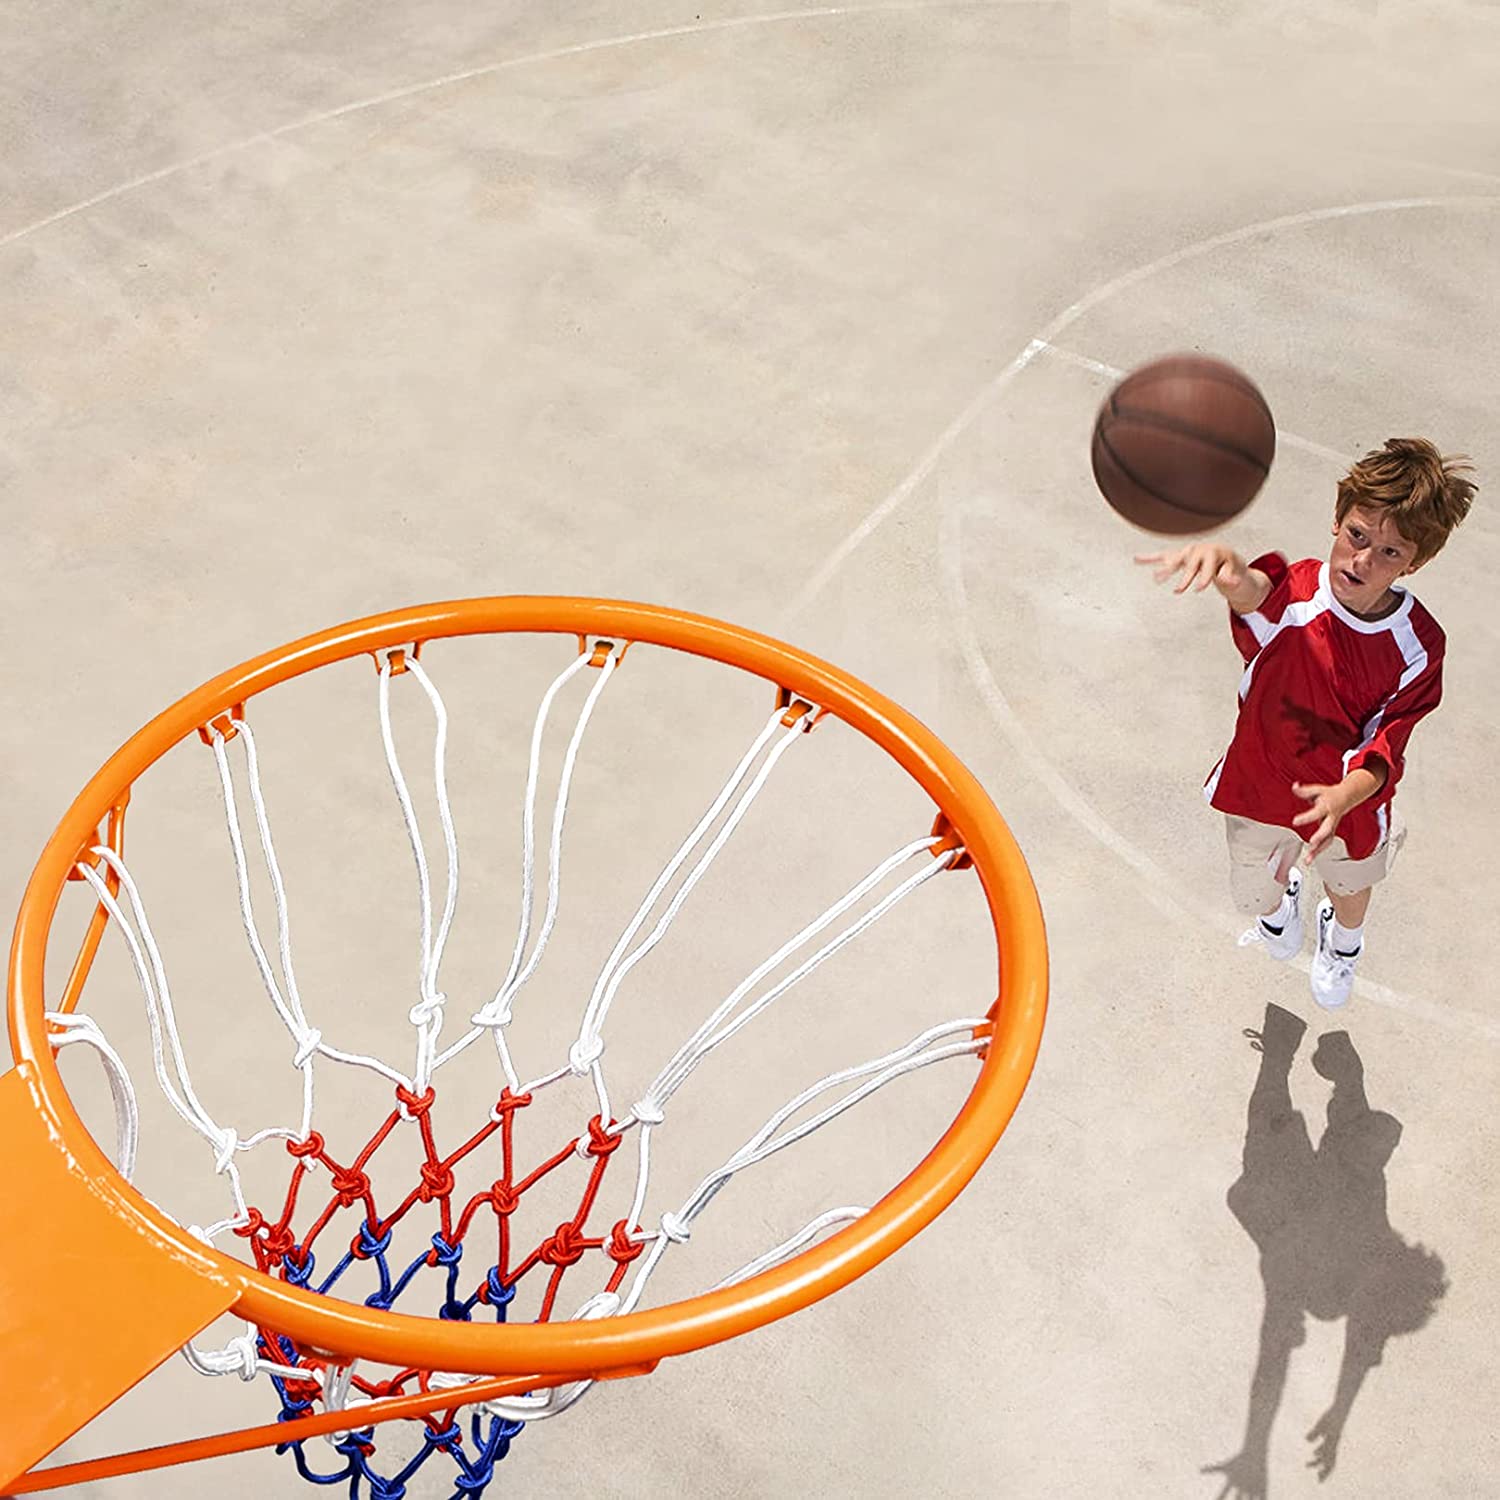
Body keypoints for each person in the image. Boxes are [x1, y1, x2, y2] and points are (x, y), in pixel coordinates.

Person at [1136, 438, 1474, 1008]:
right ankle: (1280, 906)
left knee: (1351, 884)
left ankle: (1343, 945)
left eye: (1390, 553)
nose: (1363, 560)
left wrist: (1345, 794)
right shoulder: (1297, 596)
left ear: (1416, 563)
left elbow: (1387, 743)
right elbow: (1256, 594)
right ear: (1338, 520)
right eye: (1358, 536)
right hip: (1259, 787)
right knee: (1253, 893)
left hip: (1349, 802)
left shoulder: (1419, 644)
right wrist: (1226, 566)